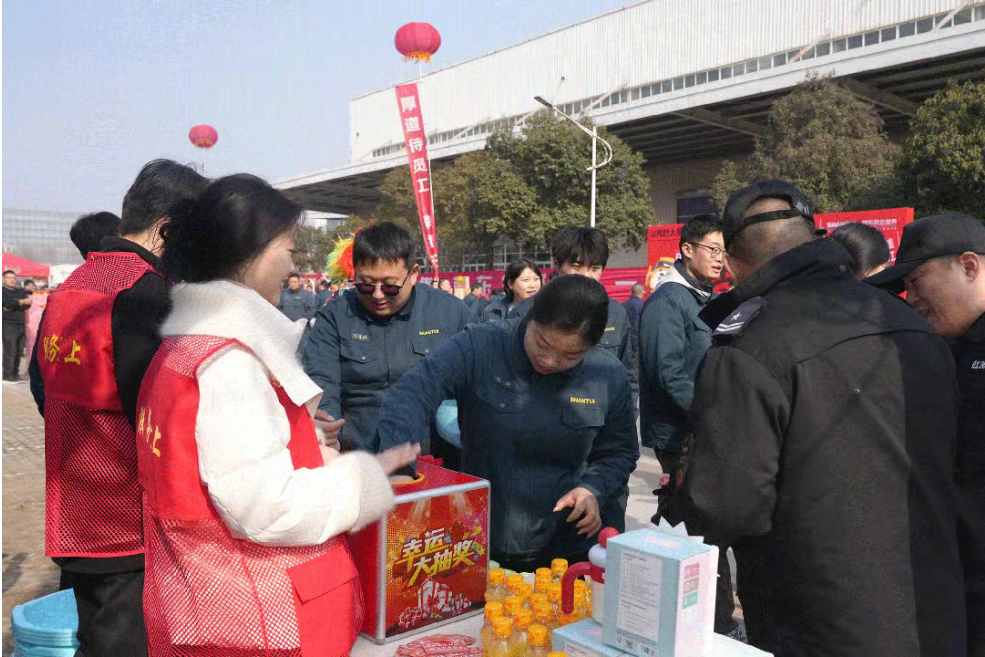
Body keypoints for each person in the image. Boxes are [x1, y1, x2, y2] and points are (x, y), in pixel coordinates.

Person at [679, 180, 966, 657]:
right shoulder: (910, 322)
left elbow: (727, 506)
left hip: (817, 623)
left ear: (731, 263)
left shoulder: (749, 346)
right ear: (816, 238)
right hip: (933, 608)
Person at [137, 173, 417, 656]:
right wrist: (362, 482)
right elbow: (268, 507)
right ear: (252, 253)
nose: (292, 267)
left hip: (209, 602)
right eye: (288, 251)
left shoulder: (185, 347)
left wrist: (304, 439)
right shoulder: (230, 362)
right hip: (265, 619)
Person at [29, 159, 207, 656]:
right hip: (128, 521)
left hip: (76, 509)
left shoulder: (73, 286)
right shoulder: (145, 292)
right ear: (167, 230)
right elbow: (161, 416)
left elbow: (43, 388)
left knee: (96, 636)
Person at [376, 275, 639, 571]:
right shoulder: (480, 346)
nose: (549, 361)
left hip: (567, 547)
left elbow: (620, 452)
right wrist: (399, 470)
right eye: (542, 343)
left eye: (570, 355)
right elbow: (410, 394)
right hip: (481, 538)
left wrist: (593, 489)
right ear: (531, 317)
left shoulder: (607, 374)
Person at [867, 212, 985, 656]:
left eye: (917, 282)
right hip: (950, 579)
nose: (911, 298)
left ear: (968, 266)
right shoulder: (943, 347)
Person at [638, 214, 740, 640]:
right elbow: (668, 372)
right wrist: (710, 413)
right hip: (682, 434)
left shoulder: (705, 297)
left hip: (704, 430)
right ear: (686, 250)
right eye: (712, 250)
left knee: (697, 528)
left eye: (724, 251)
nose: (720, 259)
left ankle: (707, 621)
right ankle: (709, 626)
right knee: (697, 531)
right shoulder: (668, 301)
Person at [304, 221, 476, 455]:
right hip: (360, 458)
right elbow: (322, 384)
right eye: (366, 285)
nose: (377, 295)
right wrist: (327, 436)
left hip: (434, 457)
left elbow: (481, 380)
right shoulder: (335, 317)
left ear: (413, 274)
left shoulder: (451, 313)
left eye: (390, 286)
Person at [2, 270, 32, 381]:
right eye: (9, 278)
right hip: (8, 324)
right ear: (3, 279)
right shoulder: (2, 292)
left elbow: (27, 304)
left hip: (20, 324)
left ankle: (15, 373)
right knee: (10, 351)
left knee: (19, 350)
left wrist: (16, 303)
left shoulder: (20, 291)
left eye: (14, 278)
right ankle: (8, 375)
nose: (12, 280)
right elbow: (7, 303)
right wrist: (21, 302)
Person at [622, 283, 646, 371]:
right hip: (639, 341)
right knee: (637, 366)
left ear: (631, 292)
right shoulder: (644, 306)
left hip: (624, 340)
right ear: (643, 292)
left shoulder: (623, 305)